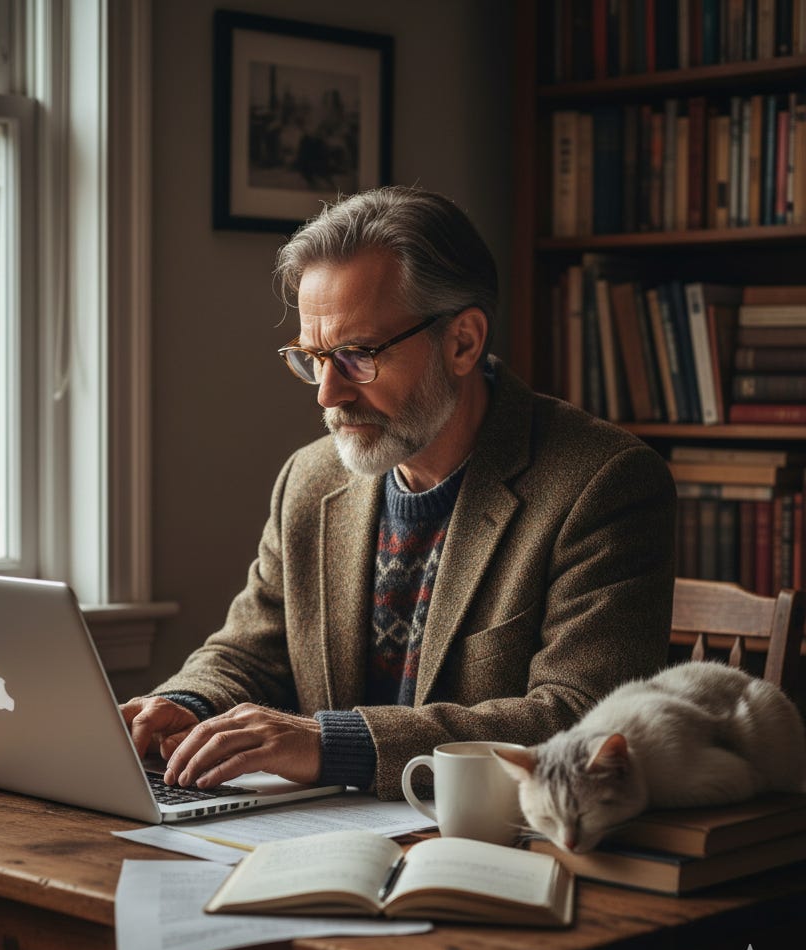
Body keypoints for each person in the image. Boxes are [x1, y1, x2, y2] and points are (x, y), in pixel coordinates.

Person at [123, 186, 676, 800]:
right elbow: (253, 648)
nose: (326, 395)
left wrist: (333, 744)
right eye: (313, 357)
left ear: (463, 342)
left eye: (357, 355)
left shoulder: (604, 483)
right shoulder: (309, 480)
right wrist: (185, 702)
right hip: (322, 838)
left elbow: (578, 719)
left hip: (508, 846)